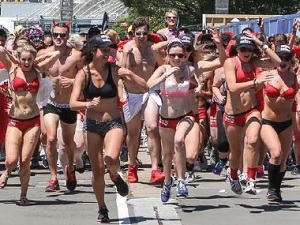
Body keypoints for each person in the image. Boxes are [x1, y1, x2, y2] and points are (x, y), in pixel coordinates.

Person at [69, 34, 148, 222]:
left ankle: (114, 175)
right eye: (103, 50)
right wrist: (87, 105)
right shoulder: (84, 73)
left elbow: (145, 87)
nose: (107, 53)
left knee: (111, 157)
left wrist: (129, 74)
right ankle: (102, 207)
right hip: (92, 124)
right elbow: (72, 103)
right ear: (93, 51)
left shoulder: (115, 70)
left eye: (108, 49)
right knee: (96, 170)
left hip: (113, 121)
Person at [0, 44, 59, 205]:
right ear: (19, 59)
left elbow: (56, 55)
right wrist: (13, 57)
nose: (26, 63)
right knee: (11, 160)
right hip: (15, 120)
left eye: (29, 59)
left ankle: (23, 196)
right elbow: (0, 51)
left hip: (33, 121)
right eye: (23, 59)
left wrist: (38, 59)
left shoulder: (38, 70)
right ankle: (7, 172)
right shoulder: (13, 68)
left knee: (25, 161)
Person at [224, 33, 281, 195]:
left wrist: (259, 42)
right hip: (233, 115)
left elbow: (277, 61)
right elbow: (232, 87)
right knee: (235, 153)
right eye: (242, 49)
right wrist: (255, 82)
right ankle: (233, 175)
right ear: (237, 50)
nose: (246, 53)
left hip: (251, 110)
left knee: (253, 140)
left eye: (249, 49)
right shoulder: (230, 62)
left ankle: (251, 178)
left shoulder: (255, 62)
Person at [37, 22, 85, 192]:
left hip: (68, 104)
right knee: (50, 138)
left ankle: (70, 169)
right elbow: (34, 72)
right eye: (56, 34)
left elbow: (85, 76)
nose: (58, 38)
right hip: (50, 102)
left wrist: (73, 81)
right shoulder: (44, 54)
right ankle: (53, 177)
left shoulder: (77, 56)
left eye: (62, 35)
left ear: (68, 36)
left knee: (68, 142)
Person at [121, 17, 163, 183]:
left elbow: (162, 66)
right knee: (133, 133)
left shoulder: (152, 48)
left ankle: (155, 169)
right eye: (138, 33)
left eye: (145, 33)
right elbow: (121, 72)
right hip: (132, 93)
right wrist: (126, 56)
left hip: (150, 91)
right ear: (133, 34)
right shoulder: (127, 48)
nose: (142, 36)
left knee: (152, 128)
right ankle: (132, 164)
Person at [260, 45, 298, 202]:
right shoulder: (267, 75)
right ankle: (271, 188)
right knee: (275, 153)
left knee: (282, 161)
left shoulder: (295, 78)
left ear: (291, 60)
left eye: (286, 58)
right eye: (280, 58)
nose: (283, 61)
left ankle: (277, 188)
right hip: (268, 121)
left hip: (287, 123)